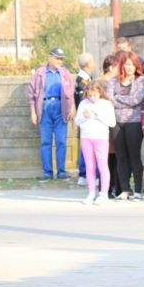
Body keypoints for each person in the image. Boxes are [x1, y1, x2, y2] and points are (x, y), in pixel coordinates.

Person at [28, 48, 75, 181]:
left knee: (61, 141)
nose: (60, 61)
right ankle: (47, 172)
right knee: (46, 141)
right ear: (50, 58)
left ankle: (61, 172)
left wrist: (72, 107)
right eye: (57, 58)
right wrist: (33, 112)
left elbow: (70, 93)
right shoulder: (39, 73)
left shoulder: (65, 73)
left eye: (61, 59)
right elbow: (31, 95)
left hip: (61, 107)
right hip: (44, 107)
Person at [106, 50, 144, 200]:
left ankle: (137, 190)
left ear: (136, 66)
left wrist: (118, 98)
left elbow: (137, 99)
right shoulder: (113, 81)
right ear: (122, 65)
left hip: (134, 121)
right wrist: (124, 100)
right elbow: (110, 98)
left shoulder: (141, 80)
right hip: (116, 122)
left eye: (132, 65)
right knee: (121, 157)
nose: (129, 67)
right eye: (127, 64)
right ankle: (125, 189)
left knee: (134, 156)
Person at [74, 81, 116, 205]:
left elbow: (112, 123)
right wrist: (84, 117)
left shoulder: (106, 104)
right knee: (89, 166)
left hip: (101, 138)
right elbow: (77, 121)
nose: (92, 98)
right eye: (89, 95)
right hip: (86, 138)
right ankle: (91, 193)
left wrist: (97, 115)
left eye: (94, 95)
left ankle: (104, 194)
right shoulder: (83, 103)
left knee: (102, 166)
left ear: (100, 93)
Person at [96, 54, 120, 197]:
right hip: (104, 124)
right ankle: (108, 187)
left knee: (113, 156)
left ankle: (112, 187)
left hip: (112, 122)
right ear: (111, 67)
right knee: (108, 157)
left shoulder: (114, 81)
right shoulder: (101, 82)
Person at [74, 53, 96, 186]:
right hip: (85, 117)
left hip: (88, 117)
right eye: (92, 61)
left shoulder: (87, 78)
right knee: (86, 146)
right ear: (88, 64)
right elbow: (83, 100)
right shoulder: (82, 80)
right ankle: (83, 174)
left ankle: (86, 173)